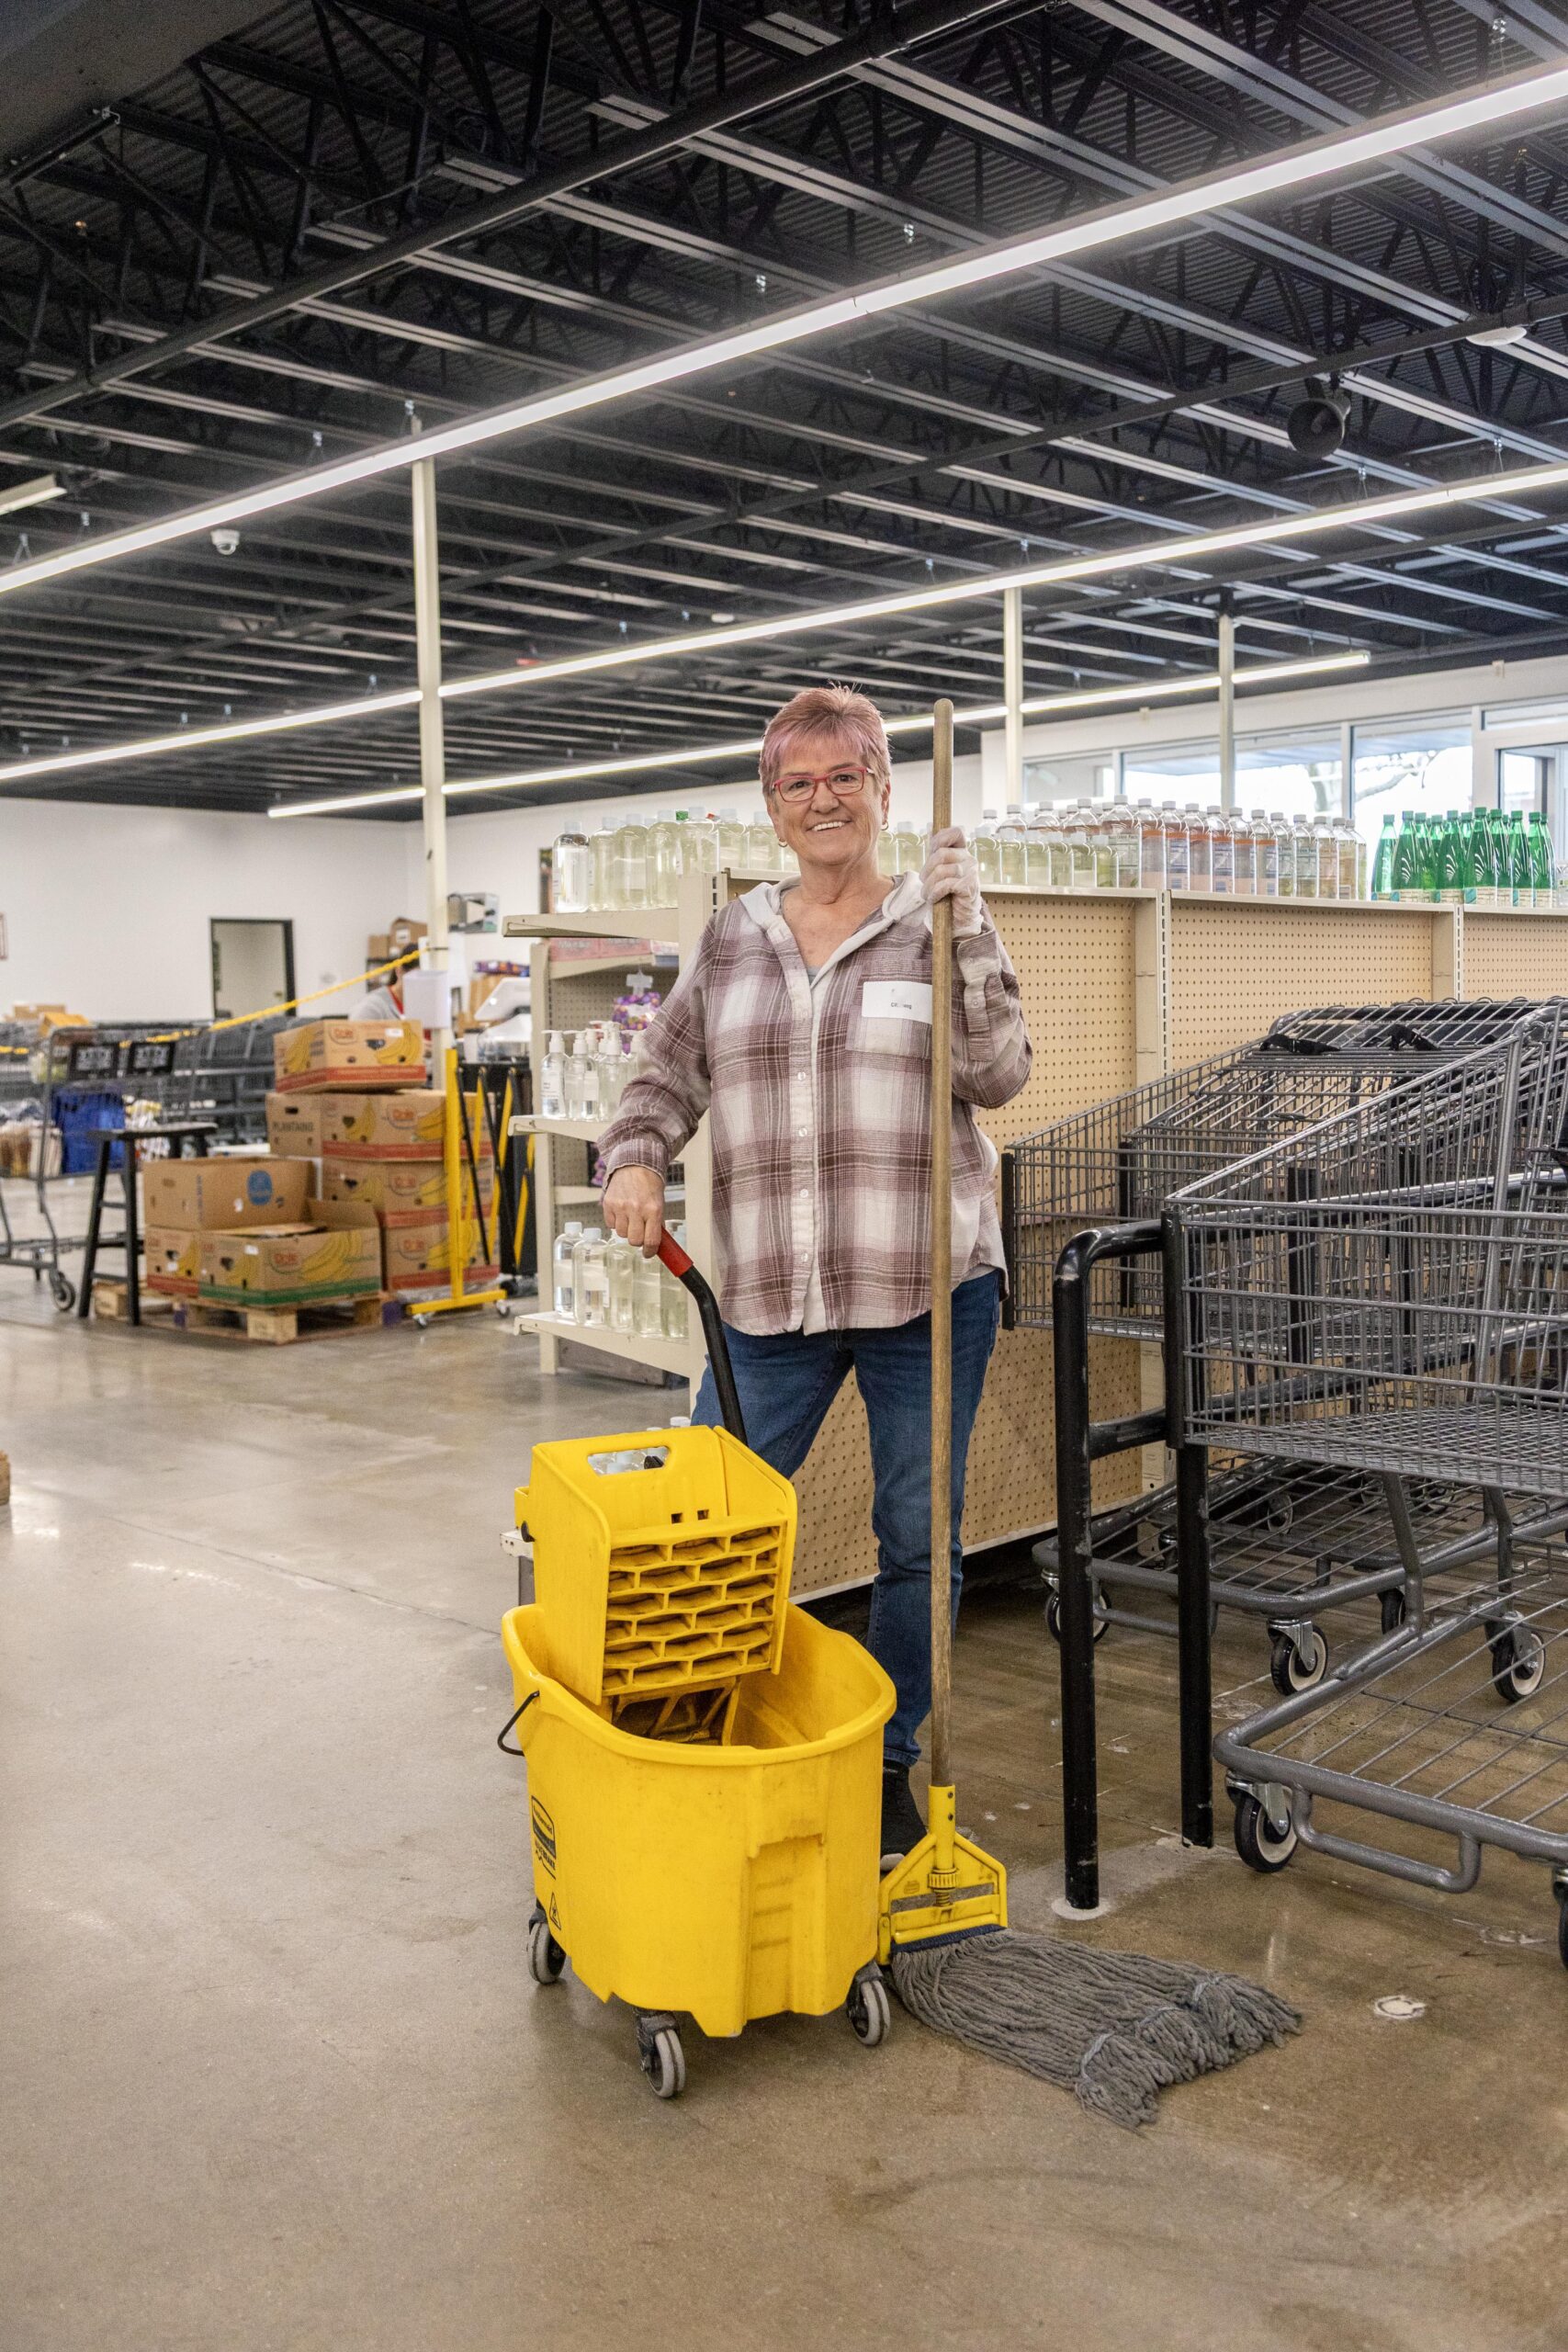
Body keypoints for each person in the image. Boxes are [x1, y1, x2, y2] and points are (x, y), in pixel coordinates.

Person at [599, 684, 1032, 1863]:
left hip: (924, 1285)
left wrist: (972, 922)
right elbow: (664, 1075)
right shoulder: (734, 936)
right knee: (707, 1514)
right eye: (798, 782)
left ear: (885, 789)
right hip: (772, 1297)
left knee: (913, 1533)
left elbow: (999, 1078)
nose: (823, 798)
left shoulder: (933, 923)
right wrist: (634, 1157)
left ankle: (891, 1764)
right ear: (771, 807)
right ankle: (684, 1722)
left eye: (847, 775)